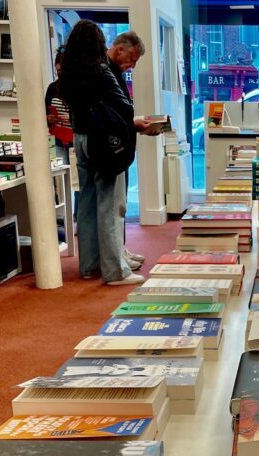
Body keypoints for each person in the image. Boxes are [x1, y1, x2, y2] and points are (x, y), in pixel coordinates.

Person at [59, 23, 149, 285]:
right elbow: (122, 107)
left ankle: (89, 265)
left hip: (81, 139)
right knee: (109, 205)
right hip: (103, 141)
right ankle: (114, 271)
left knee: (86, 204)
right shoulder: (100, 71)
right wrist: (136, 122)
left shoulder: (70, 73)